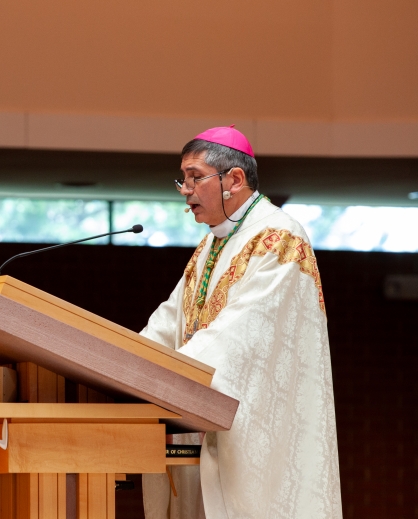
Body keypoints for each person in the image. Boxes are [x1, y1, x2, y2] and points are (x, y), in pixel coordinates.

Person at [140, 126, 342, 519]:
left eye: (196, 177)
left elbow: (243, 335)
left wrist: (174, 370)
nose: (186, 189)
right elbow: (169, 321)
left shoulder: (280, 238)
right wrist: (128, 358)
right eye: (184, 179)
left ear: (233, 179)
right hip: (201, 429)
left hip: (256, 440)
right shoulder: (211, 246)